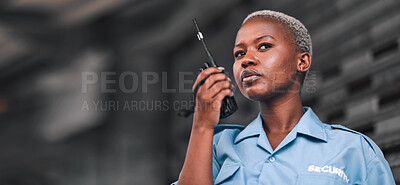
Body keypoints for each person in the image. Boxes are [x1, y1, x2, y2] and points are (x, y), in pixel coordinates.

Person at [172, 10, 395, 185]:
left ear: (303, 61)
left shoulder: (355, 150)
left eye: (264, 46)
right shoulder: (216, 147)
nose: (246, 60)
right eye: (239, 53)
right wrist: (202, 125)